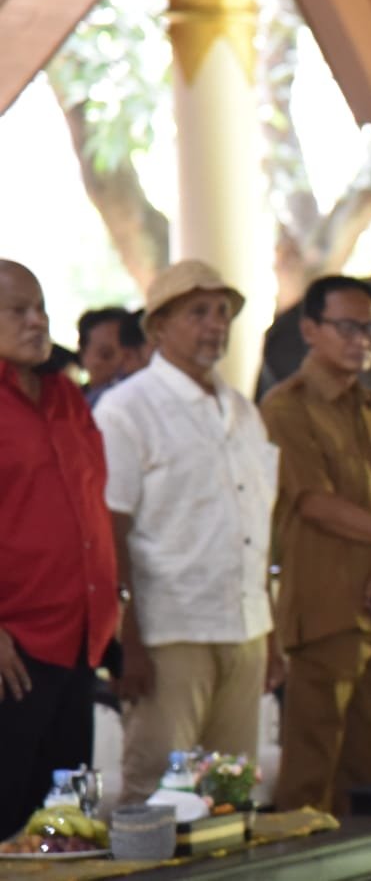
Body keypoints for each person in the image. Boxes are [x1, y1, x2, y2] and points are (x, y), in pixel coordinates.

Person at [92, 260, 282, 804]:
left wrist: (271, 634)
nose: (215, 324)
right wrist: (127, 639)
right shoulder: (127, 410)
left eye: (222, 312)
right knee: (157, 791)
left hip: (244, 626)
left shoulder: (244, 412)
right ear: (158, 328)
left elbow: (256, 527)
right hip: (167, 629)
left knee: (230, 789)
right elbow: (112, 529)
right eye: (197, 312)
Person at [259, 275, 371, 815]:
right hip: (328, 615)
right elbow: (311, 501)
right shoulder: (286, 407)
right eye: (348, 326)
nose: (363, 338)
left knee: (365, 780)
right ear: (310, 329)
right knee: (310, 777)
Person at [0, 261, 119, 839]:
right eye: (17, 310)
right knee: (8, 820)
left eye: (41, 307)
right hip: (13, 648)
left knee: (66, 825)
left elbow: (93, 509)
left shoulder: (67, 399)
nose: (36, 320)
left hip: (79, 638)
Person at [77, 307, 149, 406]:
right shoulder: (75, 409)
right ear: (83, 355)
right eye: (106, 354)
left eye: (129, 354)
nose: (119, 361)